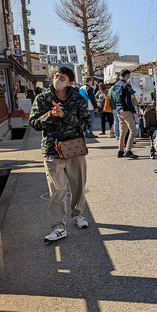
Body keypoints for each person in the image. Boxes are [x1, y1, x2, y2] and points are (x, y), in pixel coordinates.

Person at [29, 67, 91, 242]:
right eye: (56, 76)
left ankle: (78, 214)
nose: (57, 79)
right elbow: (34, 123)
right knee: (57, 190)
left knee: (78, 185)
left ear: (69, 82)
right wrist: (50, 114)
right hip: (51, 149)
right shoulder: (42, 98)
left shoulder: (78, 99)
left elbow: (85, 124)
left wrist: (65, 115)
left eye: (62, 77)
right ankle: (58, 227)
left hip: (74, 149)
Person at [114, 69, 138, 159]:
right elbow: (128, 100)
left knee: (123, 131)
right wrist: (134, 111)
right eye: (129, 76)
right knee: (133, 130)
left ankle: (120, 150)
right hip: (126, 110)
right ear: (127, 75)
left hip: (118, 110)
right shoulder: (126, 86)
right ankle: (128, 150)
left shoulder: (116, 85)